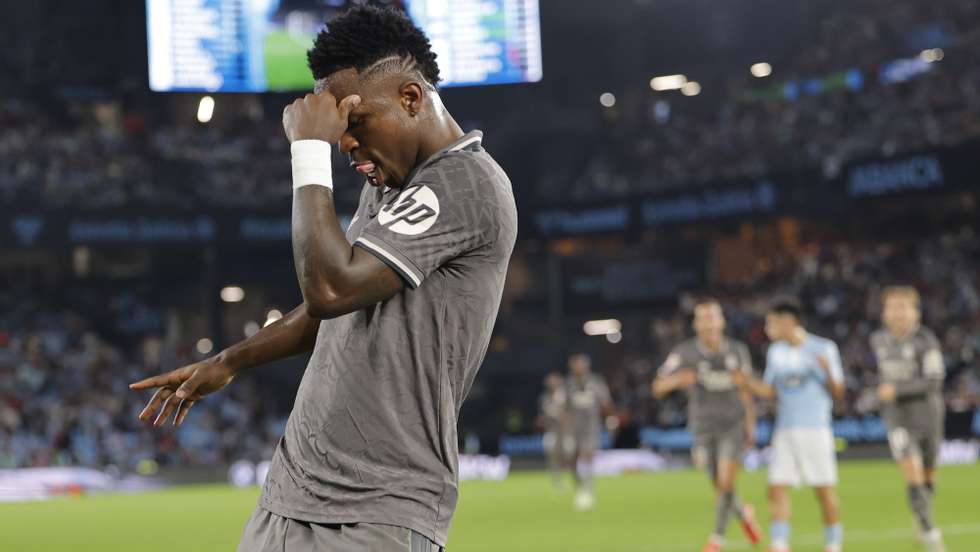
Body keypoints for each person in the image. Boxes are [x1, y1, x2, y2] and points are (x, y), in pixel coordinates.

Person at [129, 6, 517, 551]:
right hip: (291, 494)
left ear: (411, 98)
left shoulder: (464, 184)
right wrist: (229, 361)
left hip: (376, 509)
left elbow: (332, 289)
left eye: (354, 124)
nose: (345, 144)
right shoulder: (389, 185)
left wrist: (307, 151)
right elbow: (331, 309)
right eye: (337, 133)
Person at [652, 298, 762, 552]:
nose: (710, 322)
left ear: (722, 321)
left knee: (725, 482)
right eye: (704, 318)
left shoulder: (737, 350)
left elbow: (746, 389)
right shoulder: (684, 352)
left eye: (714, 316)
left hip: (732, 425)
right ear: (696, 324)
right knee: (719, 484)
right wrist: (678, 379)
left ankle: (716, 540)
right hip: (702, 428)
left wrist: (751, 424)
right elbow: (658, 386)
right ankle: (744, 513)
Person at [735, 298, 845, 552]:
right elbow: (770, 391)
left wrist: (827, 372)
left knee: (824, 490)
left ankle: (833, 544)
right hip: (784, 429)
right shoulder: (776, 352)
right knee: (776, 487)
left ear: (789, 321)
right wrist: (746, 382)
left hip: (815, 428)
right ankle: (780, 544)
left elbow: (838, 391)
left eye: (771, 322)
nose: (767, 328)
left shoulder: (823, 348)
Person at [870, 286, 946, 552]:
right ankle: (932, 535)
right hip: (897, 418)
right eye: (892, 307)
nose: (897, 313)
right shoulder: (878, 340)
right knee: (912, 473)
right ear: (883, 313)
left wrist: (896, 389)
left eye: (903, 307)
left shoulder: (927, 341)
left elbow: (934, 380)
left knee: (928, 476)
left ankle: (922, 516)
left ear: (916, 313)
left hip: (929, 416)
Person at [565, 353, 612, 511]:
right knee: (572, 459)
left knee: (587, 456)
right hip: (572, 428)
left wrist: (610, 419)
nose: (578, 367)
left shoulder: (596, 382)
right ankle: (580, 486)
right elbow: (563, 406)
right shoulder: (568, 384)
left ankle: (587, 490)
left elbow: (606, 402)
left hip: (591, 426)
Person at [538, 372, 569, 489]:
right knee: (551, 454)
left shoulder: (564, 396)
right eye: (550, 383)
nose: (552, 384)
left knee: (567, 453)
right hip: (551, 431)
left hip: (565, 431)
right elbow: (543, 415)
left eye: (554, 382)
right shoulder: (544, 398)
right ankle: (557, 479)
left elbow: (569, 412)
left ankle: (571, 477)